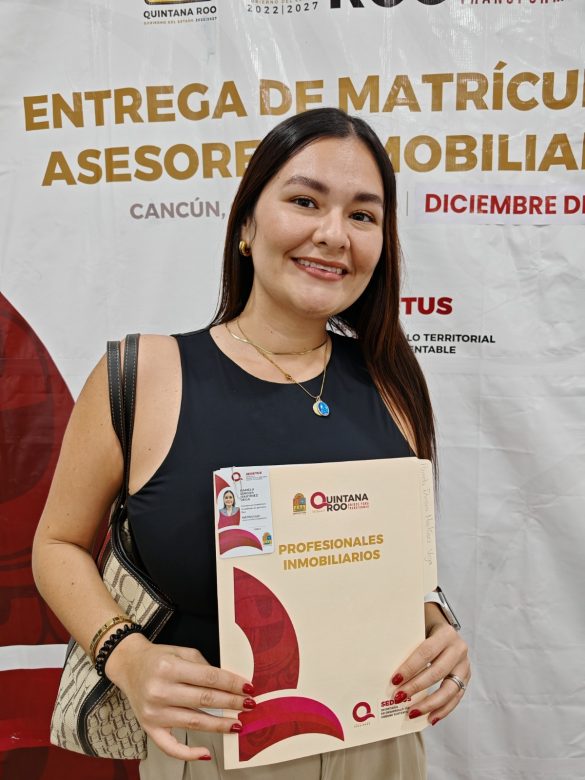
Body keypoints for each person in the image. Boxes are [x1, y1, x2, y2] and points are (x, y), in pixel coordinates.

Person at [32, 107, 470, 779]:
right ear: (245, 225)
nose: (333, 234)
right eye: (305, 201)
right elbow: (57, 544)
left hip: (379, 733)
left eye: (363, 215)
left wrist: (436, 625)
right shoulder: (144, 374)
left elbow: (398, 567)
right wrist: (126, 654)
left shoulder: (392, 383)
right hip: (213, 743)